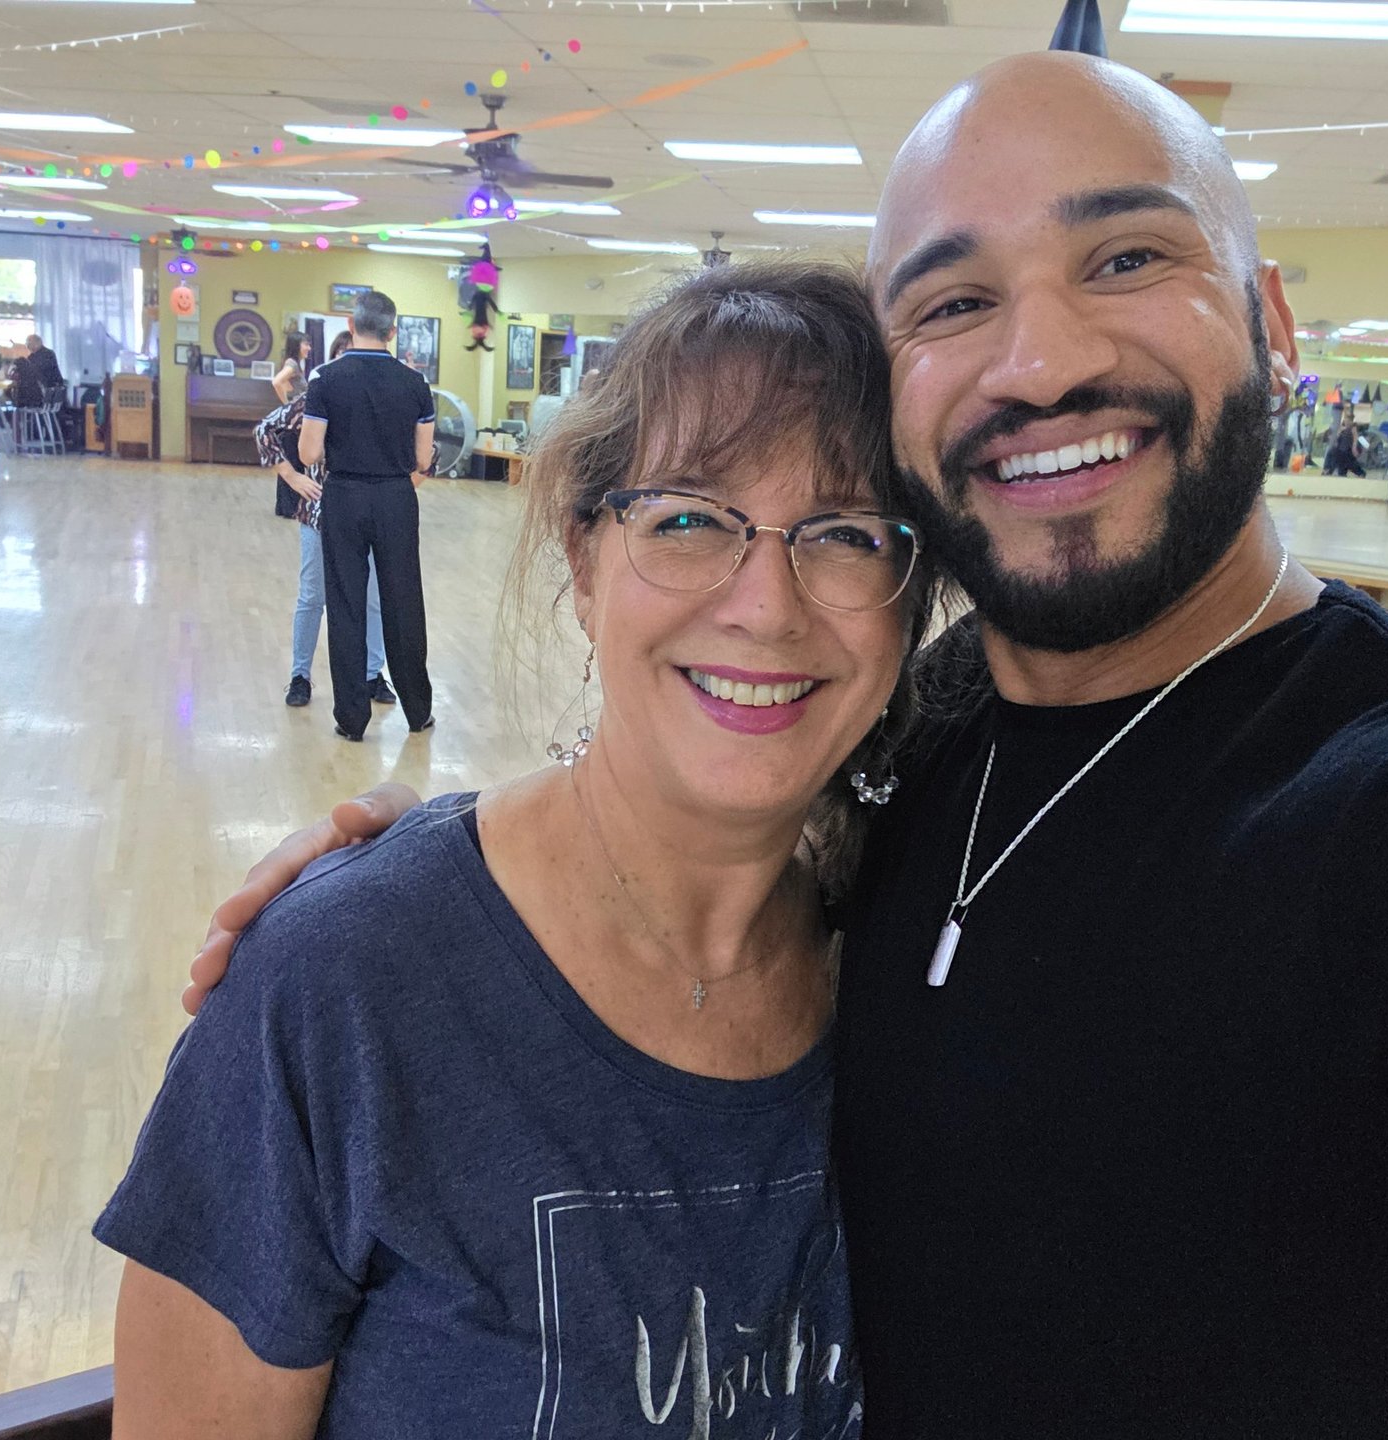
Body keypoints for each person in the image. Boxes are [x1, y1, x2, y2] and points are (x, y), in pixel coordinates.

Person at [190, 52, 1388, 1438]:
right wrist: (427, 889)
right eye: (952, 303)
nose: (1038, 362)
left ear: (1269, 317)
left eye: (1130, 257)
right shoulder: (920, 726)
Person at [97, 261, 926, 1437]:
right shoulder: (341, 989)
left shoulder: (925, 954)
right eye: (688, 517)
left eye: (843, 533)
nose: (767, 605)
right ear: (585, 561)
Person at [300, 291, 437, 737]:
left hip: (344, 496)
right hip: (397, 498)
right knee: (402, 600)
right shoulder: (415, 385)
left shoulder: (325, 379)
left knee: (345, 603)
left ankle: (353, 719)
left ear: (350, 323)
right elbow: (422, 460)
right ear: (393, 331)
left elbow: (308, 452)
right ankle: (418, 711)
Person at [256, 332, 394, 711]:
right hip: (319, 514)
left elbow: (421, 450)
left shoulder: (382, 402)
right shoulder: (315, 399)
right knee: (313, 596)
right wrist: (293, 476)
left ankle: (372, 674)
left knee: (372, 599)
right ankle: (300, 676)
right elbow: (265, 430)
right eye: (342, 355)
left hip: (367, 513)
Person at [270, 333, 311, 405]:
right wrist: (287, 405)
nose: (309, 348)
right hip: (295, 409)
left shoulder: (296, 364)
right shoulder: (292, 364)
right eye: (306, 344)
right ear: (296, 346)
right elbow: (276, 382)